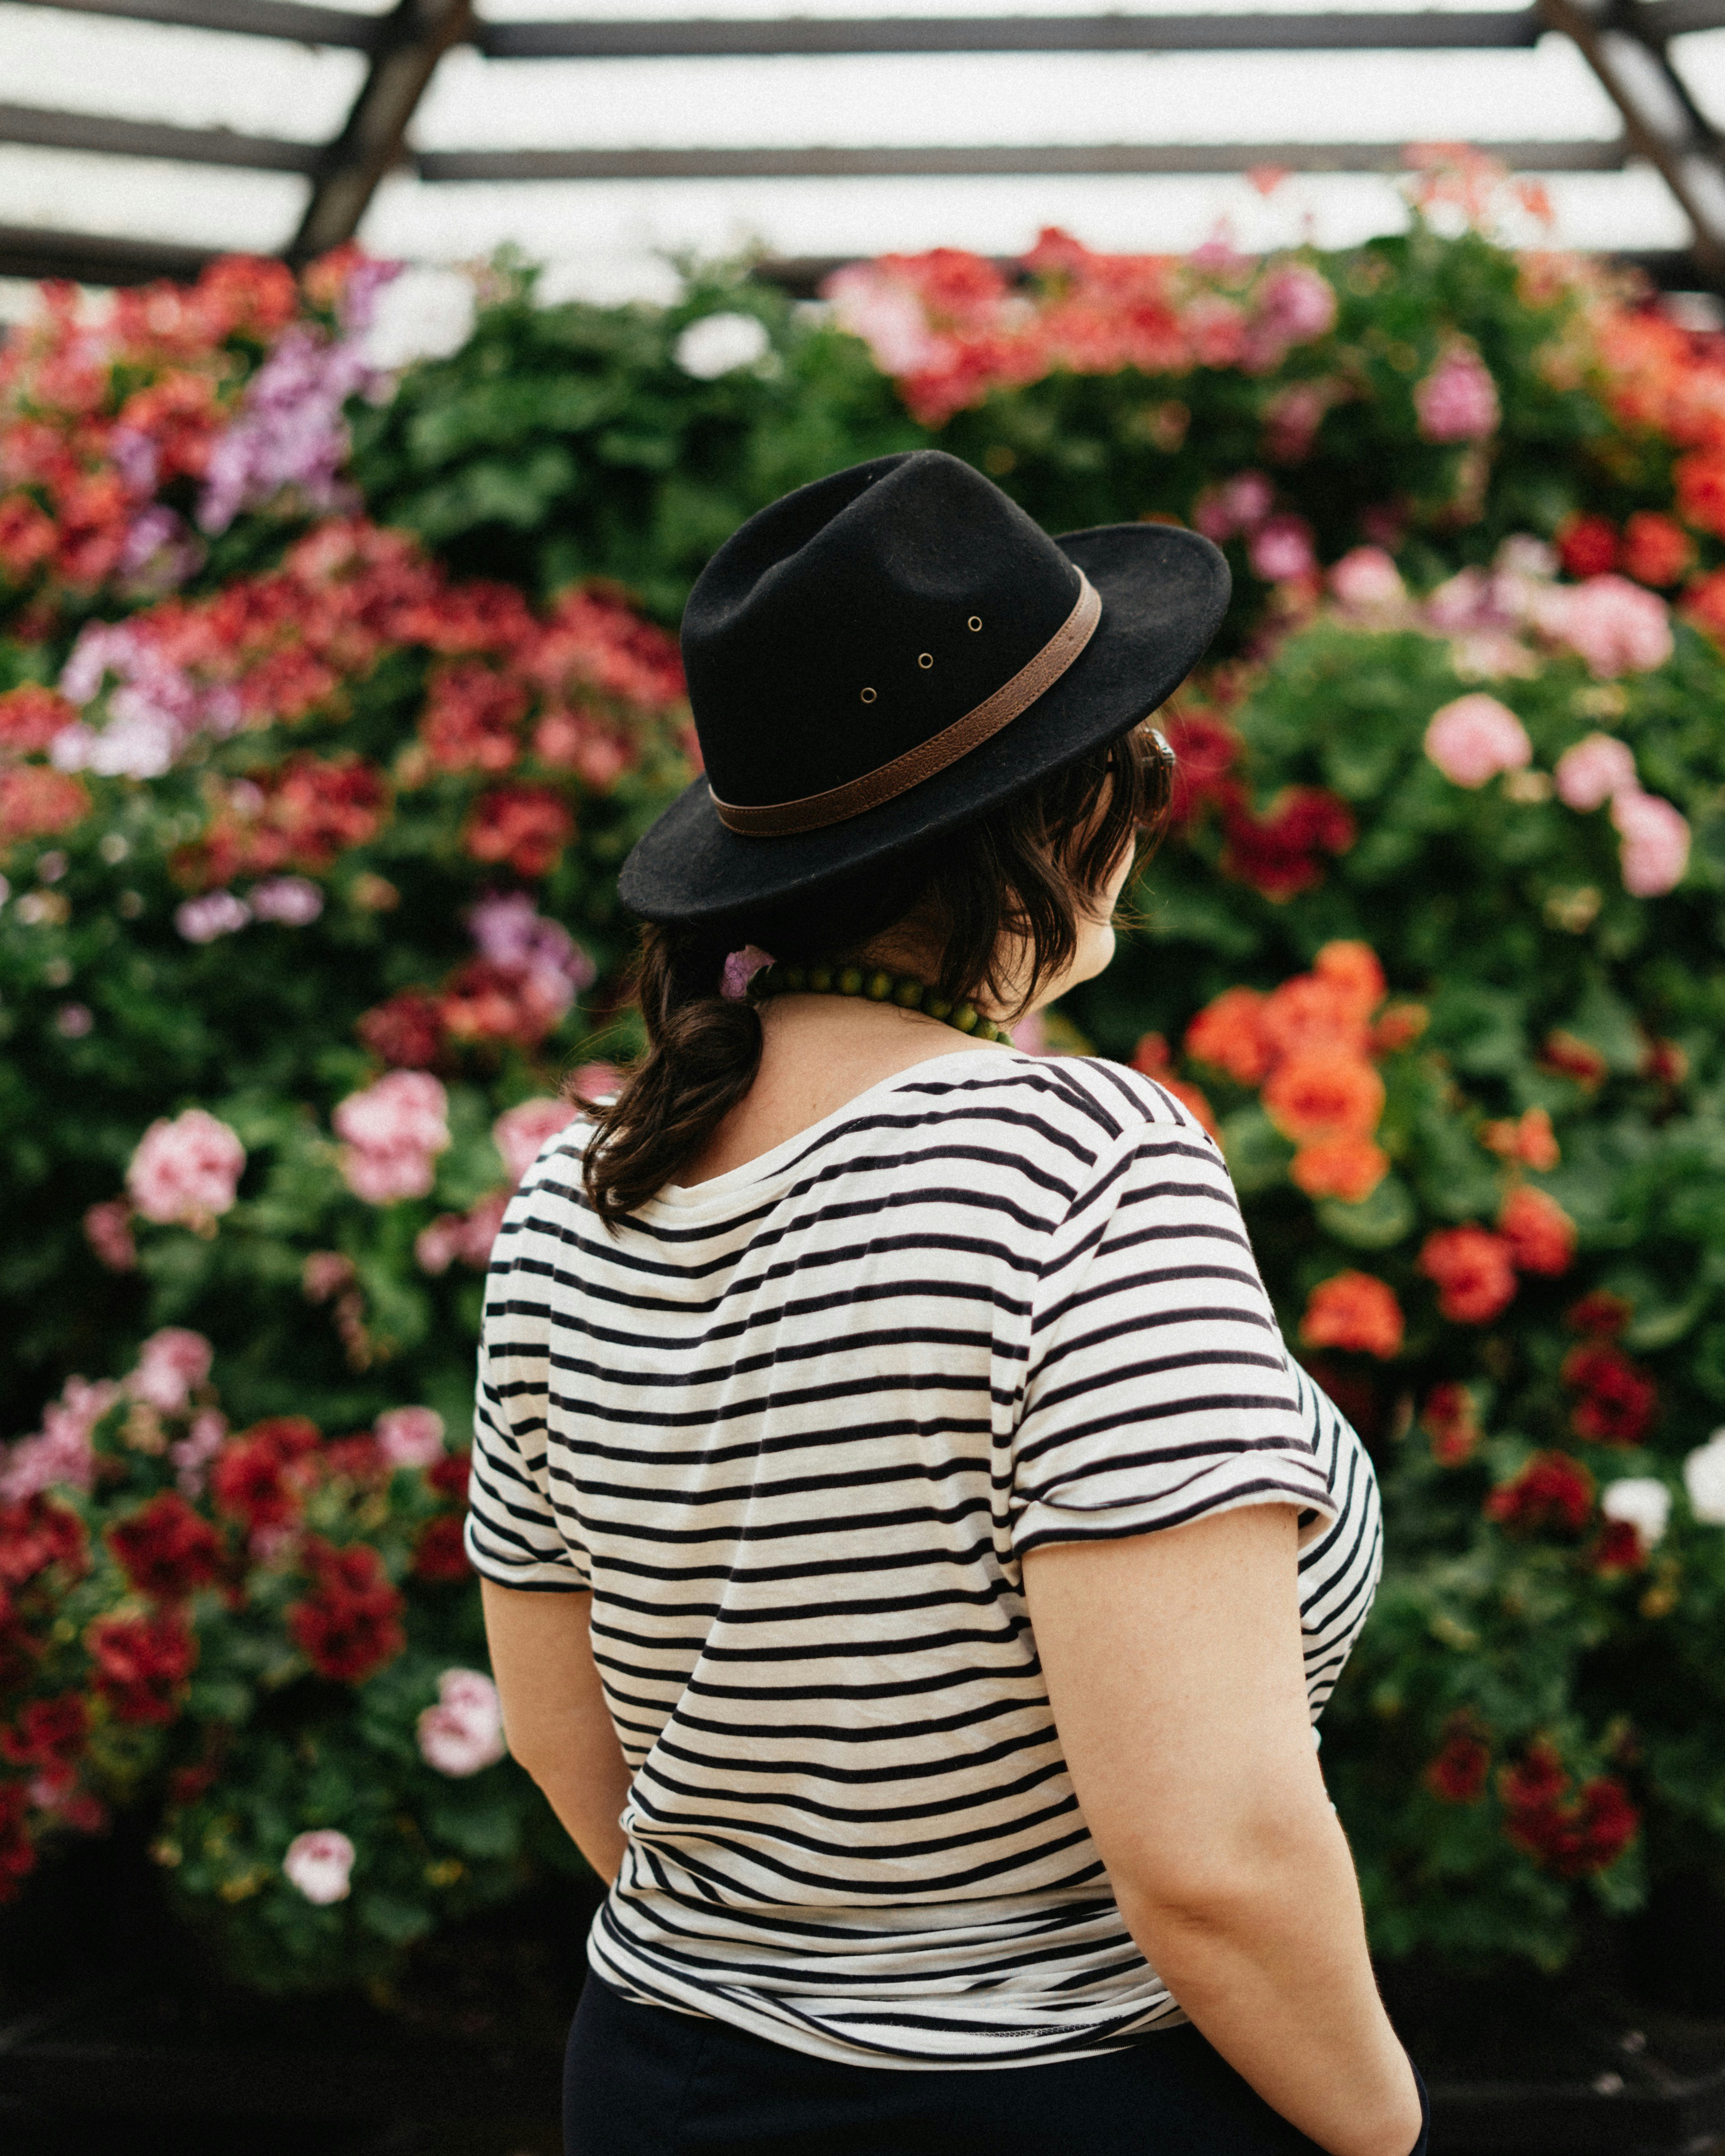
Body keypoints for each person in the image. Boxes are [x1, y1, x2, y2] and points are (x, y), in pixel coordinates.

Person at [467, 450, 1427, 2156]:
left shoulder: (573, 1195)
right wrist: (1381, 2127)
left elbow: (563, 1743)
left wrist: (802, 1981)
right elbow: (1208, 1851)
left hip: (663, 2079)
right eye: (1136, 752)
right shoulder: (1083, 1170)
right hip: (1061, 2098)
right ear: (1054, 813)